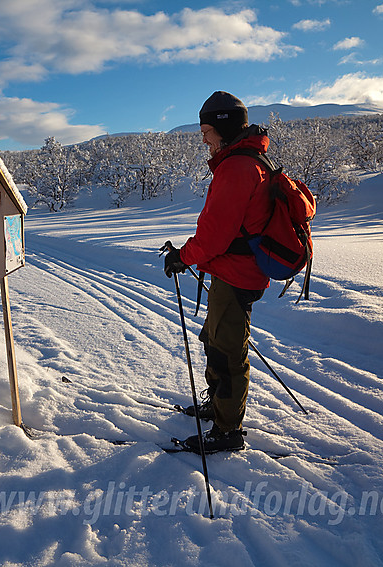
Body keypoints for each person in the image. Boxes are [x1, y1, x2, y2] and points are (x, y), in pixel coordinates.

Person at [163, 91, 273, 453]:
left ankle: (228, 431)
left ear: (224, 128)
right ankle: (218, 407)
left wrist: (184, 256)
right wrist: (190, 254)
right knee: (214, 338)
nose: (204, 139)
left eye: (207, 130)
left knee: (227, 352)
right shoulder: (244, 161)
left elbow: (216, 234)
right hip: (234, 268)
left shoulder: (238, 167)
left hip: (237, 272)